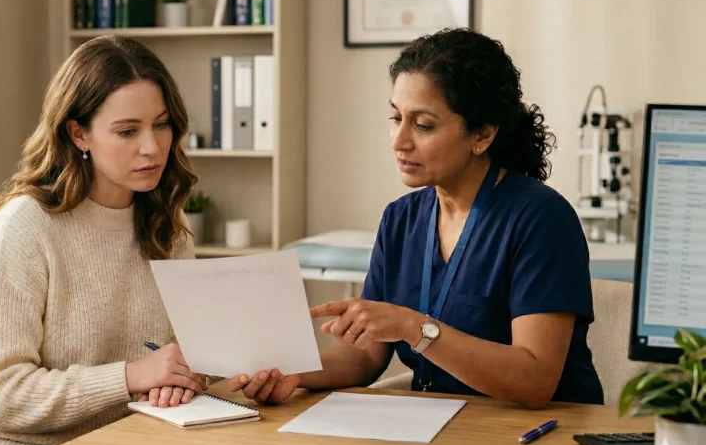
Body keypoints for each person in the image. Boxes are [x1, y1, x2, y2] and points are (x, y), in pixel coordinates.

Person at [229, 27, 604, 409]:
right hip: (442, 426)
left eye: (423, 125)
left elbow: (535, 380)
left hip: (540, 432)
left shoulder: (541, 219)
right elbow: (367, 355)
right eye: (396, 118)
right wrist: (293, 372)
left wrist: (414, 327)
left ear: (482, 135)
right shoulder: (401, 219)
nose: (399, 141)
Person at [0, 34, 209, 445]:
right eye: (127, 131)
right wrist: (131, 376)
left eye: (162, 125)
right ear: (78, 133)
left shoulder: (168, 223)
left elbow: (176, 356)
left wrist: (185, 378)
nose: (152, 147)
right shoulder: (25, 227)